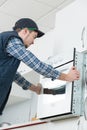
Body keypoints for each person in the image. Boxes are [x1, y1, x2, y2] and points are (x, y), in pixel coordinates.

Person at [0, 18, 80, 115]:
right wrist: (66, 77)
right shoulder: (12, 39)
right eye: (34, 36)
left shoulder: (8, 47)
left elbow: (14, 76)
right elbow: (35, 64)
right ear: (25, 31)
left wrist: (36, 89)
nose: (33, 42)